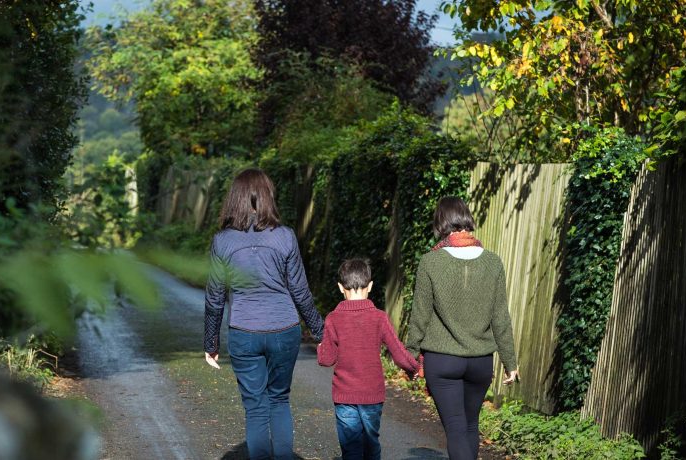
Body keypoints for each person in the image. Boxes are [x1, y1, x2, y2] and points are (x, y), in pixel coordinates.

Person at [204, 168, 325, 460]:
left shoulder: (223, 242)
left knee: (256, 408)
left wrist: (211, 344)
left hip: (244, 332)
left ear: (235, 199)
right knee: (279, 400)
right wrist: (321, 332)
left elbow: (214, 298)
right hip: (284, 329)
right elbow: (300, 292)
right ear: (268, 197)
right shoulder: (285, 237)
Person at [404, 196, 520, 460]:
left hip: (442, 362)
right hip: (480, 364)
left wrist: (410, 357)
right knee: (470, 425)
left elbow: (420, 316)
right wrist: (510, 362)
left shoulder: (430, 262)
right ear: (467, 219)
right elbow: (500, 317)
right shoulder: (493, 262)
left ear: (440, 223)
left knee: (456, 428)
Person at [317, 258, 420, 460]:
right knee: (371, 441)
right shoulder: (379, 317)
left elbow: (327, 359)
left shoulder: (333, 319)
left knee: (351, 447)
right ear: (370, 286)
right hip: (372, 394)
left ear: (340, 288)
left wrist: (321, 349)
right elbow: (397, 350)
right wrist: (415, 367)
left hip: (344, 395)